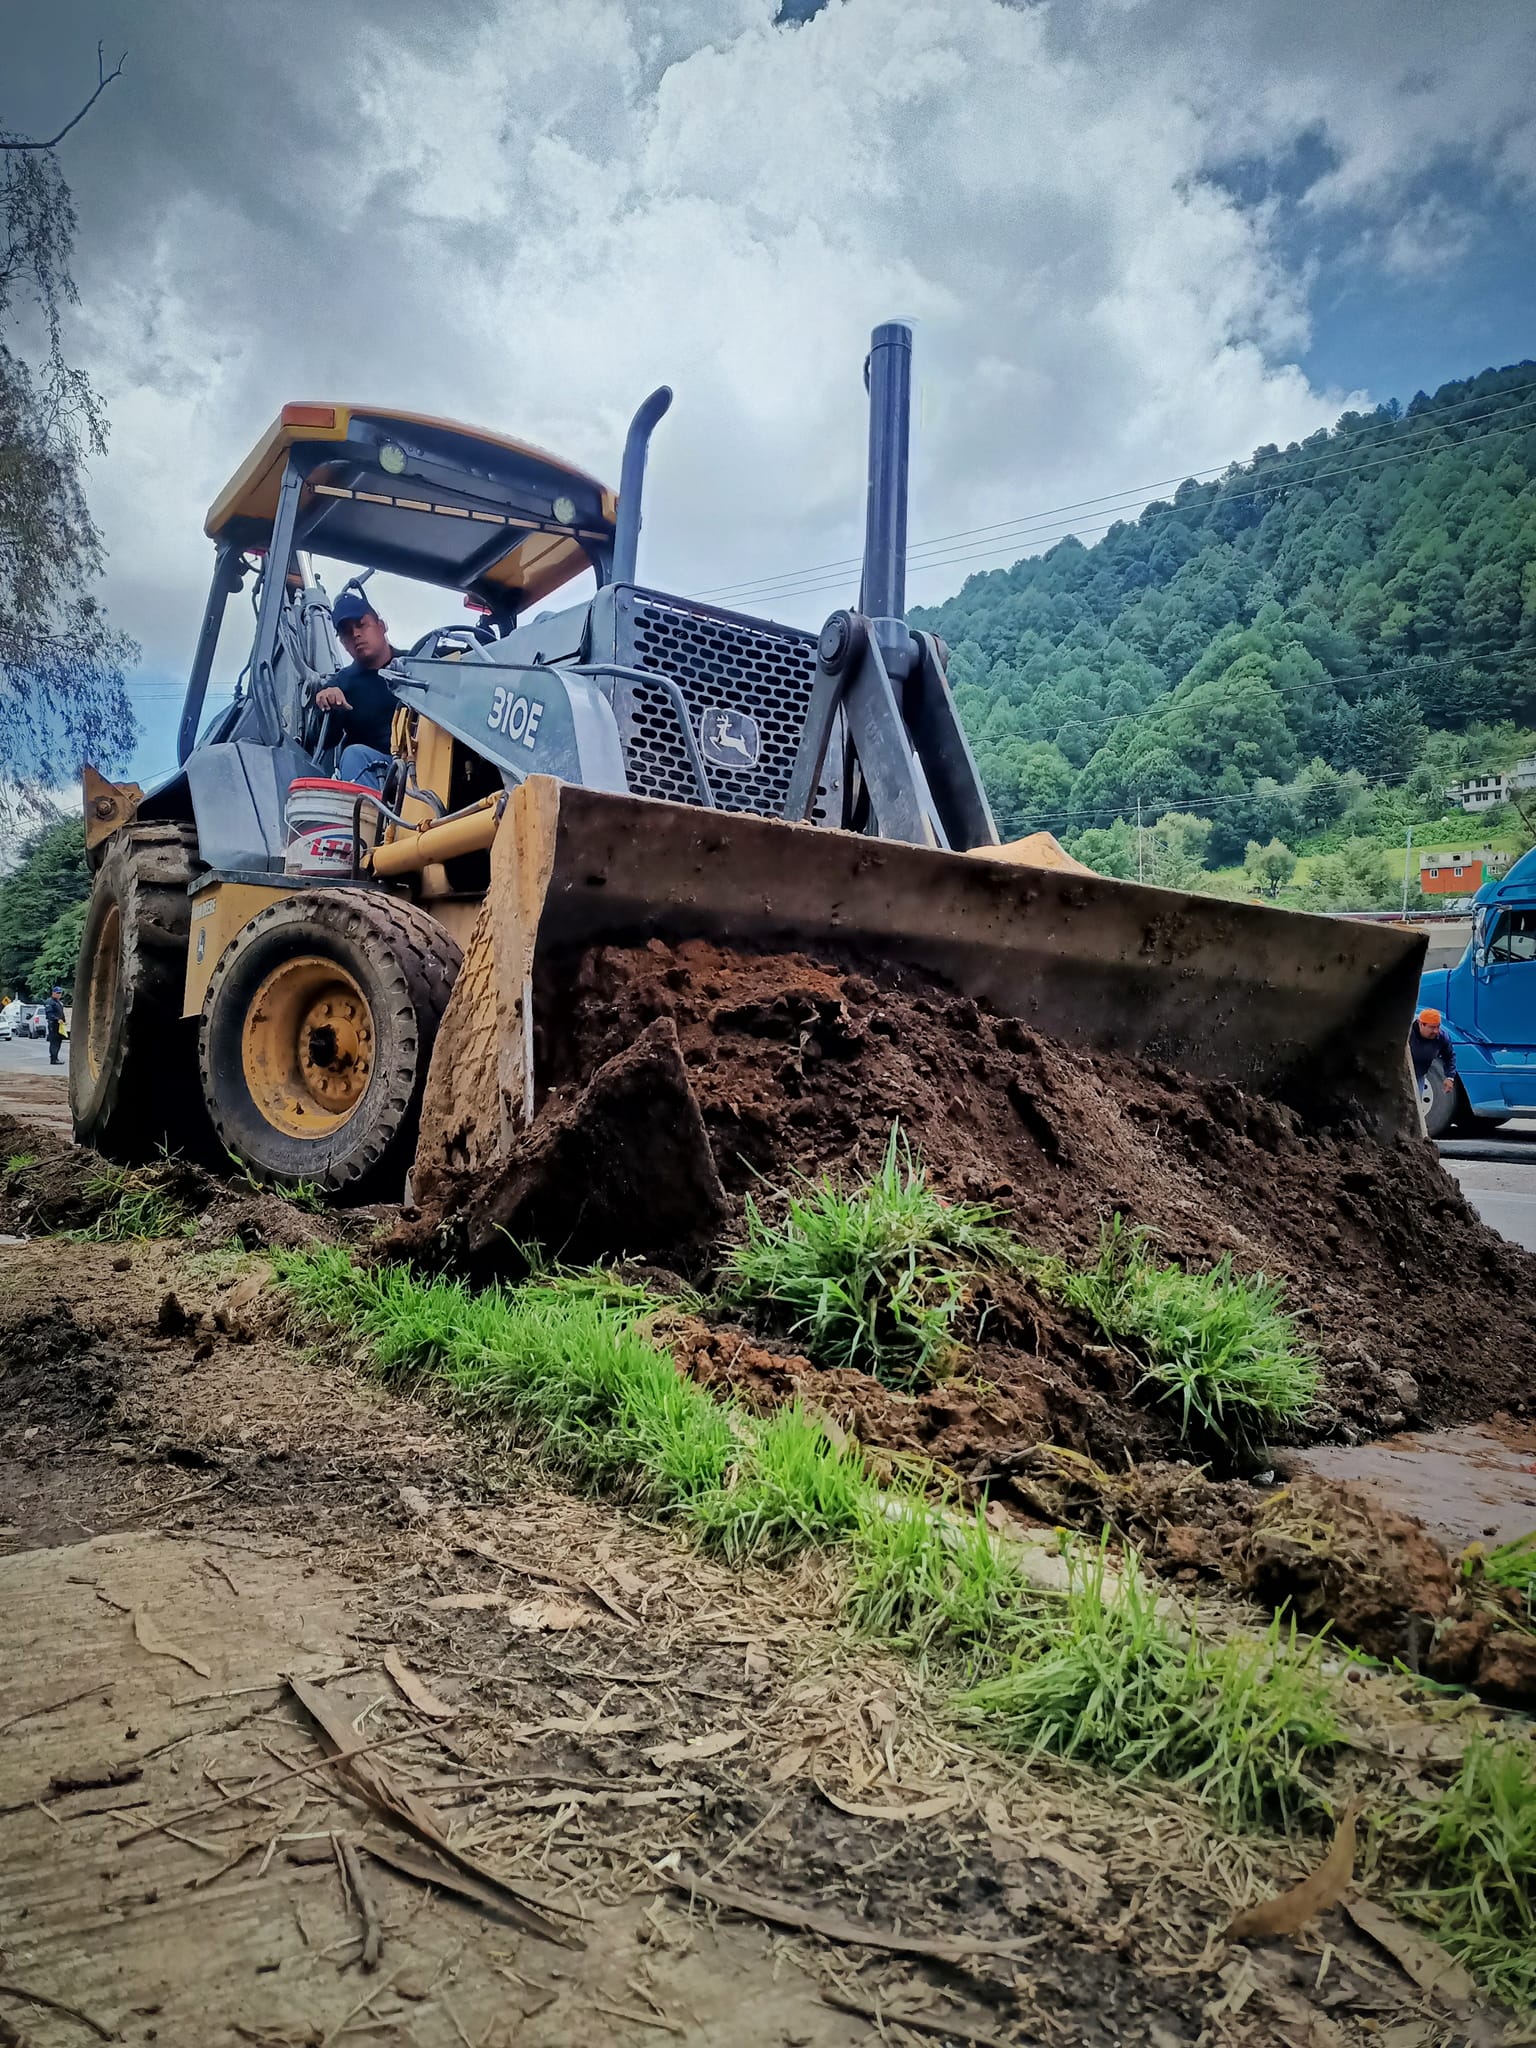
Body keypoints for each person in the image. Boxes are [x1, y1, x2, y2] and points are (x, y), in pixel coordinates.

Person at [314, 590, 400, 791]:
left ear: (381, 626)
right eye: (346, 631)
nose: (355, 634)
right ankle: (368, 819)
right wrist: (329, 707)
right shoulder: (341, 684)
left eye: (361, 624)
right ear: (343, 643)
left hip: (430, 760)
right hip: (382, 773)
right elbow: (322, 742)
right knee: (354, 755)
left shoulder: (419, 663)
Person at [1410, 1006, 1456, 1126]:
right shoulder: (1408, 1033)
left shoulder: (1441, 1037)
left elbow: (1449, 1056)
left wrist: (1449, 1077)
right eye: (1432, 1027)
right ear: (1421, 1024)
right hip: (1401, 1073)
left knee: (1415, 1105)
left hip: (1419, 1074)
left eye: (1438, 1027)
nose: (1436, 1031)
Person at [43, 987, 66, 1066]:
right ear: (53, 993)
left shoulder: (59, 1002)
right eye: (57, 993)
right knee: (54, 1042)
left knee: (59, 1041)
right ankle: (53, 1059)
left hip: (59, 1025)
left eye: (60, 993)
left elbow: (61, 1013)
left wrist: (63, 1020)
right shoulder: (50, 1002)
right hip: (53, 1024)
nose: (59, 994)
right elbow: (49, 1014)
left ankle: (56, 1058)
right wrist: (57, 1019)